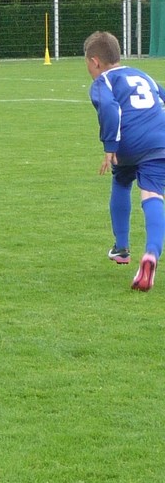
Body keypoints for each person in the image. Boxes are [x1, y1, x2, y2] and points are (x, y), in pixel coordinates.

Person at [85, 30, 165, 291]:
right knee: (153, 194)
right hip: (160, 141)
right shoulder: (142, 74)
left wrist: (110, 145)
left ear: (95, 61)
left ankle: (121, 248)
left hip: (129, 143)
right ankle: (151, 253)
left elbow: (109, 108)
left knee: (121, 181)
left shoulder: (103, 81)